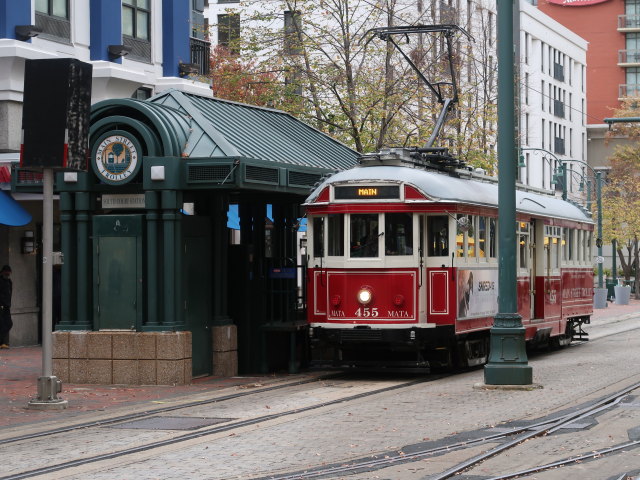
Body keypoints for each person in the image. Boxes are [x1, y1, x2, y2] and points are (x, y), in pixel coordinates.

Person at [0, 265, 13, 348]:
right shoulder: (0, 281)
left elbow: (9, 293)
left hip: (7, 306)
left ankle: (1, 342)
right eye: (7, 272)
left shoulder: (9, 281)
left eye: (9, 273)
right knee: (2, 324)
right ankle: (1, 343)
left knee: (9, 323)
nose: (8, 274)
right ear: (3, 272)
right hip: (1, 305)